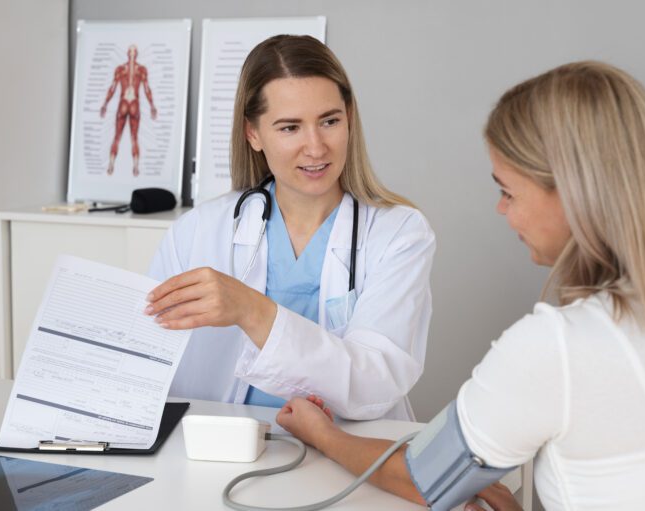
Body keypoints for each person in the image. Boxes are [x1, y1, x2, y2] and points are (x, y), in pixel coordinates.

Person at [276, 61, 645, 510]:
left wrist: (322, 433)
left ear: (573, 193)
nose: (501, 210)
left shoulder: (559, 345)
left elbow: (422, 477)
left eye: (508, 191)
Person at [145, 35, 435, 420]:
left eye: (329, 121)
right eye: (290, 128)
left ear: (349, 118)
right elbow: (146, 360)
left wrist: (250, 309)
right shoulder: (197, 231)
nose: (315, 148)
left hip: (350, 450)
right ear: (253, 133)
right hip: (220, 451)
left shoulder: (398, 233)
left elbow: (374, 385)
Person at [100, 44, 158, 176]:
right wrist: (152, 106)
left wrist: (105, 104)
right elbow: (147, 89)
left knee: (117, 137)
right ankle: (135, 167)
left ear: (129, 53)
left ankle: (111, 165)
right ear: (135, 54)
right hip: (134, 104)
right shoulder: (141, 70)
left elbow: (113, 88)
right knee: (134, 138)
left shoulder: (121, 69)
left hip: (124, 103)